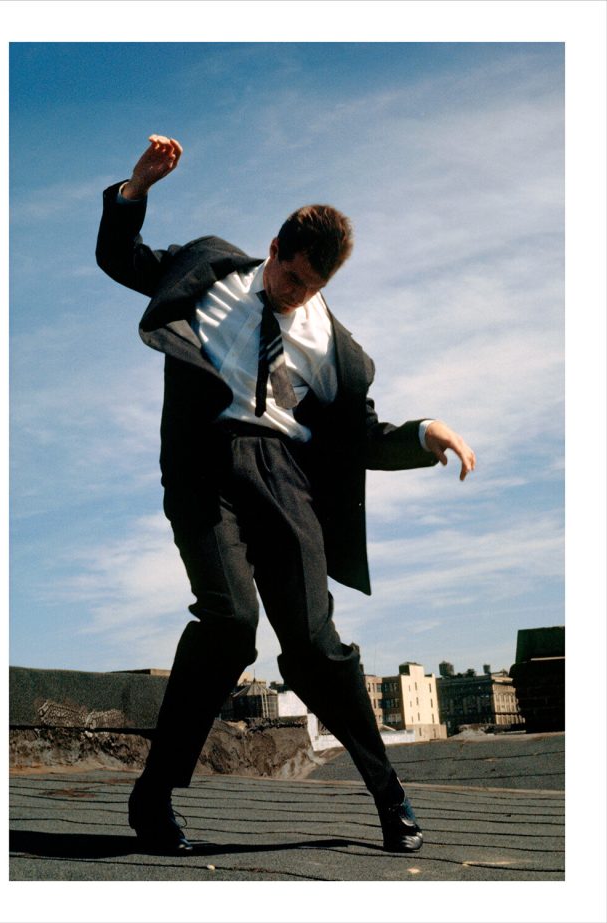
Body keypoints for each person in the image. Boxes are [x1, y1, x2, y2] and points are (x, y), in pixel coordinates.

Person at [96, 134, 476, 855]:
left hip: (282, 474)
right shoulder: (210, 269)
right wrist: (137, 189)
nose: (293, 291)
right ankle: (155, 795)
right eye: (288, 274)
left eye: (308, 286)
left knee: (315, 649)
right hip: (205, 464)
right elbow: (124, 260)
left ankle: (388, 795)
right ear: (273, 247)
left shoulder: (333, 346)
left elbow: (360, 435)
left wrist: (425, 432)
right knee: (231, 623)